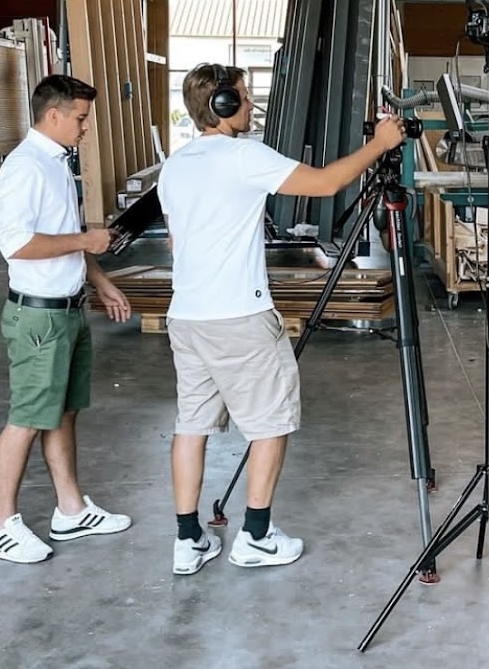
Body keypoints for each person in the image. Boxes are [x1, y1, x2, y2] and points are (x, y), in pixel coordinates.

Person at [158, 63, 405, 575]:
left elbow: (180, 241)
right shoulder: (245, 156)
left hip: (186, 316)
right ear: (223, 106)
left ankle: (188, 540)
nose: (250, 106)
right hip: (239, 317)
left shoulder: (175, 166)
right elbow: (326, 182)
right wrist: (380, 144)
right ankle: (256, 535)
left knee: (192, 425)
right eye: (244, 98)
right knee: (269, 424)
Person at [0, 75, 133, 564]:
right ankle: (1, 525)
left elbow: (66, 237)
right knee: (26, 419)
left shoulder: (55, 165)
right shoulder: (25, 168)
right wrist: (85, 241)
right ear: (54, 115)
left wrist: (101, 280)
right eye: (81, 118)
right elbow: (17, 244)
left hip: (67, 311)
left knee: (64, 413)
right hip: (38, 319)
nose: (85, 127)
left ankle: (70, 510)